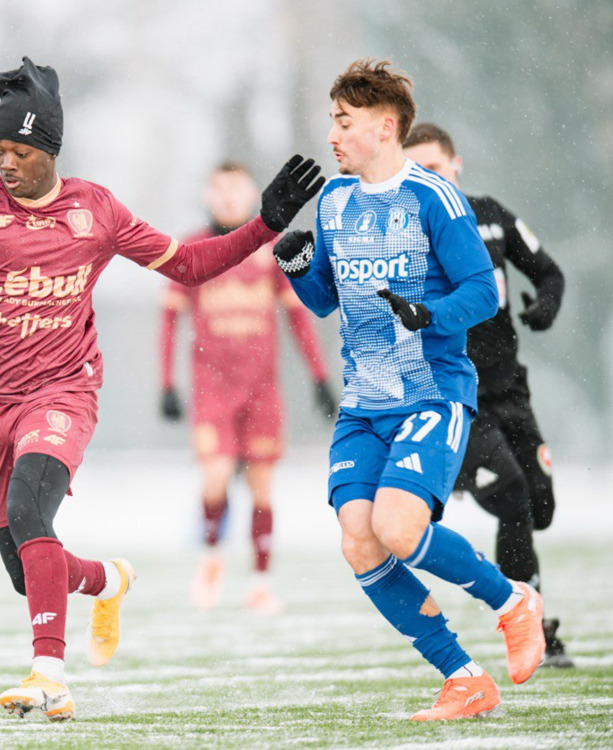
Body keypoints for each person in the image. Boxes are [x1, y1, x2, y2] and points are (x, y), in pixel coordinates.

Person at [0, 57, 324, 721]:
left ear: (50, 149)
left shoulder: (95, 210)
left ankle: (48, 676)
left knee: (30, 510)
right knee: (26, 572)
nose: (7, 163)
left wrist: (262, 225)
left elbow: (189, 265)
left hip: (63, 393)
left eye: (21, 151)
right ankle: (106, 581)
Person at [272, 58, 546, 721]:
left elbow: (482, 292)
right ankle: (462, 678)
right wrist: (295, 262)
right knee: (359, 541)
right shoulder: (334, 201)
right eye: (331, 122)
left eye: (344, 122)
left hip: (432, 394)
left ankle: (512, 601)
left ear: (384, 126)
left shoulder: (435, 199)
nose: (332, 135)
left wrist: (430, 314)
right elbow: (324, 300)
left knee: (397, 528)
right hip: (363, 404)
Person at [403, 123, 571, 667]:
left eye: (433, 168)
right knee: (514, 495)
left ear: (456, 165)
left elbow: (549, 272)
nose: (426, 179)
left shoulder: (491, 216)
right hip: (455, 396)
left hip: (510, 390)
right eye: (414, 171)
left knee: (539, 508)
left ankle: (525, 606)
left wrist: (545, 306)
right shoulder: (405, 231)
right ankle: (531, 626)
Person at [159, 161, 336, 612]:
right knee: (215, 477)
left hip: (262, 390)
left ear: (252, 193)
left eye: (236, 188)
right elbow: (169, 319)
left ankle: (260, 583)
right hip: (212, 389)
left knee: (261, 485)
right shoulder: (192, 248)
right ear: (207, 195)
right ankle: (211, 559)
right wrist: (167, 383)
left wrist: (319, 377)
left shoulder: (271, 249)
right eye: (219, 188)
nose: (228, 197)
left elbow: (298, 316)